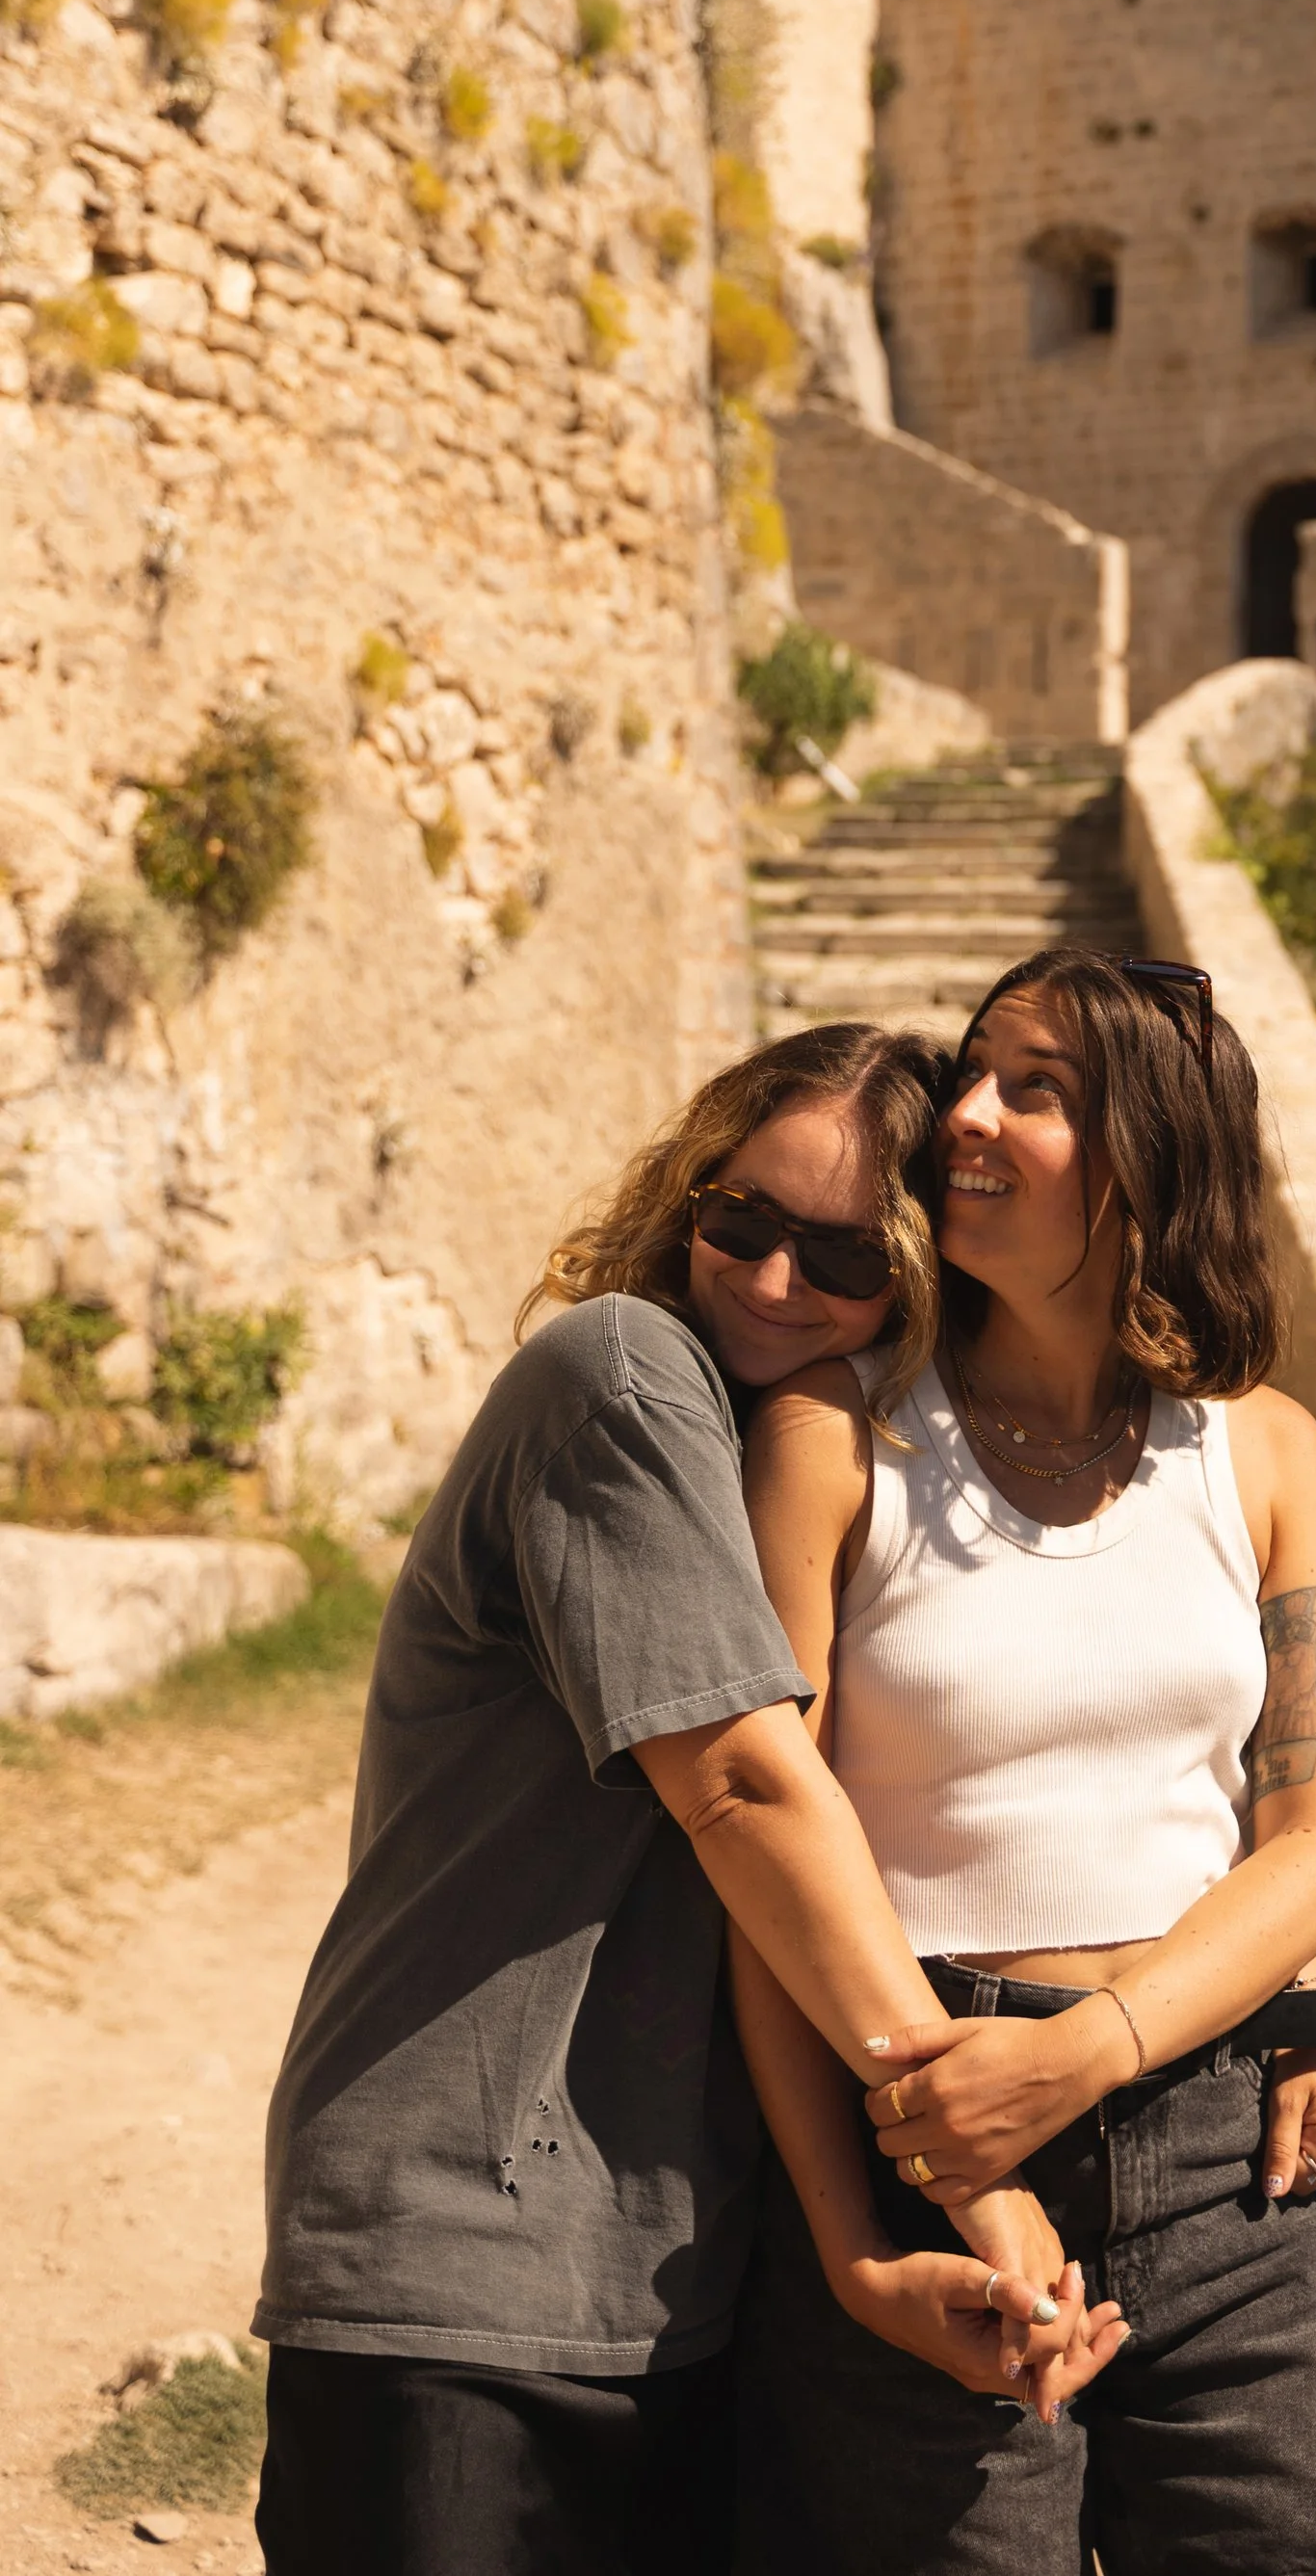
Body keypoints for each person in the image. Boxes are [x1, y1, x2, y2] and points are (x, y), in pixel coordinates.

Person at [251, 1022, 1119, 2576]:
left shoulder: (844, 1480)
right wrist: (964, 2174)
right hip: (472, 2247)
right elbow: (743, 1781)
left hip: (676, 2271)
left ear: (921, 1278)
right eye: (745, 1221)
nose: (777, 1283)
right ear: (688, 1199)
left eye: (846, 1258)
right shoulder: (624, 1374)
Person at [732, 949, 1316, 2576]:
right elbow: (763, 1848)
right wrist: (848, 2242)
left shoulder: (1263, 1448)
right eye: (974, 1071)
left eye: (1035, 1090)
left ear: (1152, 1159)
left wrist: (1122, 2045)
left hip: (1223, 2136)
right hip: (929, 2121)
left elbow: (1313, 1841)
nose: (963, 1113)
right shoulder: (834, 1436)